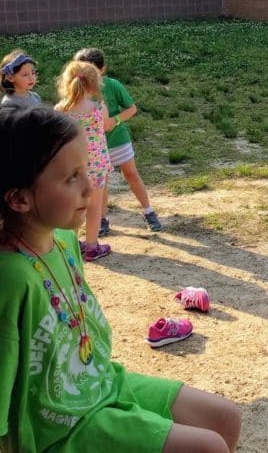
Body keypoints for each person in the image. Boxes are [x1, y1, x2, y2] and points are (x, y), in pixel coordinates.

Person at [0, 106, 241, 452]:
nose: (90, 186)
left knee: (225, 419)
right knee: (208, 448)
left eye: (87, 170)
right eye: (71, 177)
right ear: (19, 198)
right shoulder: (10, 278)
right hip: (56, 430)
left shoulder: (65, 239)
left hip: (100, 383)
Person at [73, 48, 162, 234]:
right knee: (101, 182)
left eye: (91, 71)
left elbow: (132, 108)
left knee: (131, 174)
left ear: (102, 69)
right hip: (94, 147)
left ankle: (148, 211)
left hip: (117, 140)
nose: (86, 75)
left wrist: (116, 120)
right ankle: (102, 219)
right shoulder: (77, 91)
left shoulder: (113, 85)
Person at [54, 61, 112, 262]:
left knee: (73, 206)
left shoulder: (60, 109)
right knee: (94, 207)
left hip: (71, 166)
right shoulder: (98, 107)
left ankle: (71, 245)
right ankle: (92, 247)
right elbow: (105, 126)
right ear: (94, 84)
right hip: (96, 165)